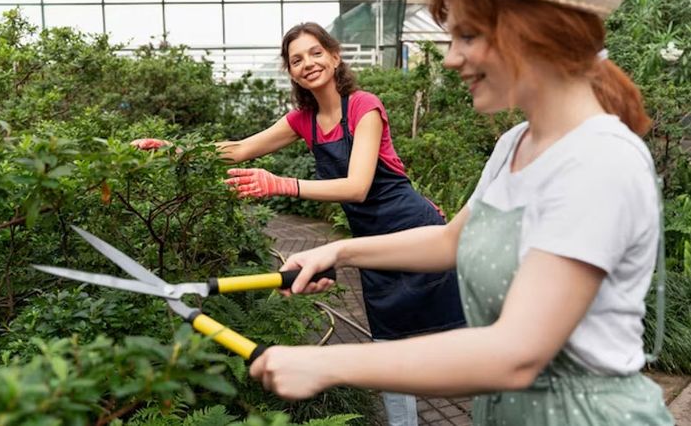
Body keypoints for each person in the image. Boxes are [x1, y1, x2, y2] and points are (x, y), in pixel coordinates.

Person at [246, 0, 675, 424]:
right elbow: (451, 241)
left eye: (467, 37)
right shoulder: (516, 144)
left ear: (537, 31)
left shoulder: (599, 160)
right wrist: (336, 252)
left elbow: (516, 354)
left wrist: (325, 363)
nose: (450, 58)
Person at [133, 22, 466, 426]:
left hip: (416, 232)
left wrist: (281, 184)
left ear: (334, 56)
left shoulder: (364, 105)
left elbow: (358, 187)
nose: (307, 63)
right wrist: (174, 151)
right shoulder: (303, 120)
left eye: (315, 52)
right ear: (290, 72)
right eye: (296, 59)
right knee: (388, 347)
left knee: (459, 338)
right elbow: (239, 149)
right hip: (371, 248)